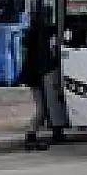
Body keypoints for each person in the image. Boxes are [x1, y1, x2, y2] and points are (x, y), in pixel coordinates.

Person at [20, 10, 59, 151]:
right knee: (42, 109)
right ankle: (31, 136)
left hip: (34, 75)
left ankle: (35, 136)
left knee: (44, 107)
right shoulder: (42, 36)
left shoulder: (32, 34)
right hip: (38, 76)